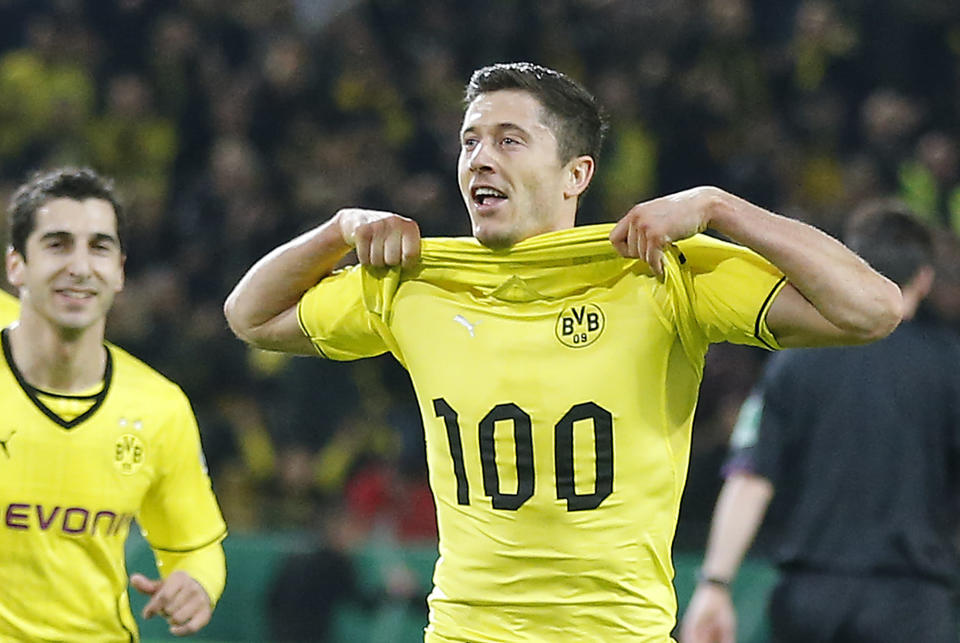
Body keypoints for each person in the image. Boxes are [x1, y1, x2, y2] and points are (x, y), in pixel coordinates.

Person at [224, 62, 902, 641]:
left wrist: (720, 207)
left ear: (577, 173)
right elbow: (249, 315)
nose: (479, 158)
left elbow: (872, 307)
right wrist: (340, 229)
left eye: (509, 140)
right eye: (469, 142)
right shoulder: (413, 286)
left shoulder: (660, 273)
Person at [680, 204, 960, 643]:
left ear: (854, 265)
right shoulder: (951, 367)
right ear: (924, 278)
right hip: (912, 602)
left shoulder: (795, 362)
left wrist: (716, 584)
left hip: (810, 600)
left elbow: (751, 477)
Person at [0, 167, 227, 640]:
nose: (80, 267)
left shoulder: (159, 407)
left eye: (99, 247)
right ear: (16, 266)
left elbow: (194, 546)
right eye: (58, 244)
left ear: (120, 271)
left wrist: (197, 583)